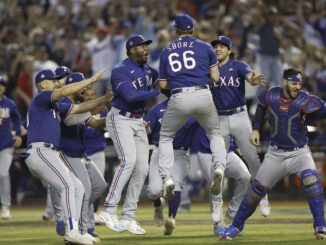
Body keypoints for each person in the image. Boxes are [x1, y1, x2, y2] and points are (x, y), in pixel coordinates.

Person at [220, 68, 326, 240]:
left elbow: (322, 111)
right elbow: (261, 108)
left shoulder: (306, 100)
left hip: (299, 153)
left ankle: (320, 226)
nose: (297, 87)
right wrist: (256, 129)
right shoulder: (270, 95)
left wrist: (310, 118)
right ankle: (236, 227)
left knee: (312, 181)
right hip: (275, 154)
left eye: (299, 83)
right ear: (284, 82)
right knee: (255, 192)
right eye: (293, 83)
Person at [24, 68, 105, 245]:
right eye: (53, 81)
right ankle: (71, 229)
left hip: (50, 153)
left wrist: (106, 98)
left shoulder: (55, 106)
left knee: (78, 187)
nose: (57, 83)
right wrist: (90, 81)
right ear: (43, 84)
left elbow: (80, 107)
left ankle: (73, 229)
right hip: (41, 151)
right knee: (68, 186)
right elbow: (63, 91)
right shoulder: (41, 98)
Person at [158, 14, 226, 201]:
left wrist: (180, 82)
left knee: (165, 137)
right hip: (203, 93)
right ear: (193, 29)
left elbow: (163, 85)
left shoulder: (166, 50)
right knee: (214, 133)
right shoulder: (205, 47)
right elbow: (215, 78)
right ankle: (219, 167)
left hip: (179, 96)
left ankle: (167, 178)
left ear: (176, 30)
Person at [98, 35, 160, 235]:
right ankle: (108, 209)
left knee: (142, 168)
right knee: (128, 160)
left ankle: (128, 216)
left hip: (138, 120)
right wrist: (156, 93)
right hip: (120, 119)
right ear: (132, 49)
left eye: (147, 46)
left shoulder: (149, 70)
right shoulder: (120, 70)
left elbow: (166, 85)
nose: (147, 49)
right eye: (143, 46)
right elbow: (130, 96)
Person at [210, 35, 270, 216]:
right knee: (218, 163)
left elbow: (249, 76)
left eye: (222, 46)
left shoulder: (237, 65)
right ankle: (216, 204)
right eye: (216, 47)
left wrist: (253, 79)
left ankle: (263, 197)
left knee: (253, 159)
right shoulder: (209, 69)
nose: (218, 49)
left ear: (229, 50)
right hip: (219, 119)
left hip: (239, 116)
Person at [145, 94, 197, 236]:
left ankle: (171, 219)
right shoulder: (157, 110)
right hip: (160, 151)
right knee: (154, 191)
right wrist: (143, 127)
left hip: (181, 153)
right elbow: (146, 130)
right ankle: (157, 205)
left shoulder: (191, 109)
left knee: (176, 183)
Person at [0, 76, 22, 220]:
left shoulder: (10, 103)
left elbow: (17, 118)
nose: (0, 87)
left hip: (6, 144)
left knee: (3, 174)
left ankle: (5, 207)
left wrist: (19, 134)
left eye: (2, 85)